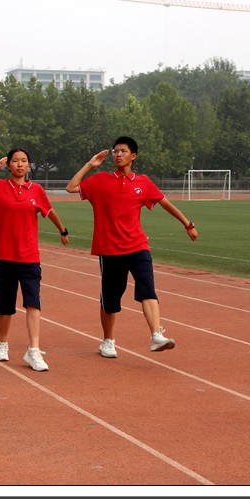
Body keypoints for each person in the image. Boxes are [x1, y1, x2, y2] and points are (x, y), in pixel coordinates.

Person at [65, 136, 198, 357]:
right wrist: (90, 164)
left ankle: (156, 335)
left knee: (148, 289)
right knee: (110, 300)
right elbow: (71, 187)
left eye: (123, 151)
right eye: (115, 151)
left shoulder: (143, 182)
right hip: (110, 250)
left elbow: (165, 203)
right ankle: (108, 341)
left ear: (133, 156)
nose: (118, 155)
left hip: (138, 246)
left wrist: (188, 224)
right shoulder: (100, 180)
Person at [0, 148, 68, 372]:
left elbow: (49, 211)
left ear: (29, 165)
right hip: (4, 256)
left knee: (33, 303)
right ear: (8, 165)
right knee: (5, 304)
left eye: (24, 161)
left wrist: (63, 230)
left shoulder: (37, 190)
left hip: (29, 256)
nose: (20, 164)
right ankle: (2, 343)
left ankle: (34, 350)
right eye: (15, 161)